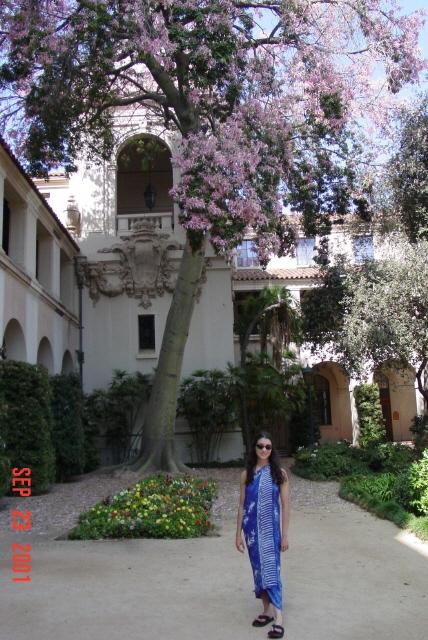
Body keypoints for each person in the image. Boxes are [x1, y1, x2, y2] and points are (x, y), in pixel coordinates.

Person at [236, 431, 289, 639]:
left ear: (272, 449)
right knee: (258, 570)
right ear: (254, 448)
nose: (264, 450)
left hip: (270, 531)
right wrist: (237, 534)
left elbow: (286, 506)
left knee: (271, 570)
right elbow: (241, 505)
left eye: (268, 446)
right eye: (260, 446)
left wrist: (285, 535)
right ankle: (266, 611)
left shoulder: (279, 474)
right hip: (251, 532)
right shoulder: (246, 474)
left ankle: (279, 619)